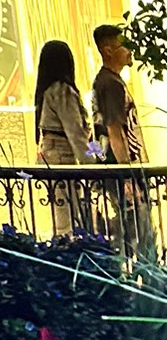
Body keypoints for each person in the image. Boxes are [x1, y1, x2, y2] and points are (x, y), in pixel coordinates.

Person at [92, 23, 145, 249]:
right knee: (137, 234)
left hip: (113, 170)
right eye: (124, 46)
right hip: (120, 170)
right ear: (108, 51)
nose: (129, 50)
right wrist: (128, 176)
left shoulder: (105, 81)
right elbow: (114, 131)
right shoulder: (111, 84)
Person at [34, 39, 94, 236]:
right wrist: (95, 164)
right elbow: (76, 133)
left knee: (60, 214)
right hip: (62, 156)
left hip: (49, 154)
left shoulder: (46, 92)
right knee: (69, 218)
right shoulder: (62, 91)